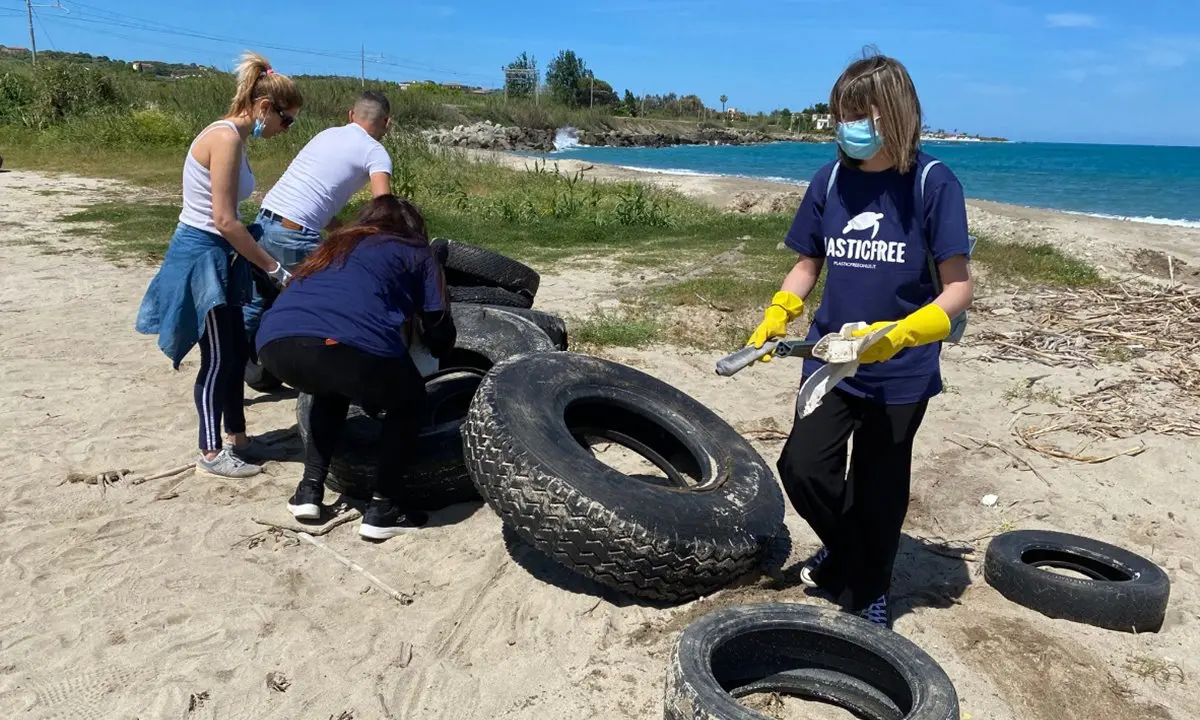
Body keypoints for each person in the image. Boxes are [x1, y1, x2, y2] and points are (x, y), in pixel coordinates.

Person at [745, 50, 974, 628]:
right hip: (831, 359)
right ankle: (849, 552)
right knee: (803, 467)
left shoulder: (933, 184)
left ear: (893, 114)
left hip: (901, 370)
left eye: (858, 115)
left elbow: (958, 289)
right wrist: (780, 309)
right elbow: (807, 263)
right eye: (841, 115)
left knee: (879, 485)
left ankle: (870, 587)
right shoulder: (829, 180)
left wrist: (901, 334)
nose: (846, 127)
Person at [135, 51, 302, 479]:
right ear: (264, 107)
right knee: (217, 359)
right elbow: (225, 220)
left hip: (222, 254)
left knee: (231, 353)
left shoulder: (236, 140)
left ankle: (239, 439)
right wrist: (273, 268)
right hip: (203, 255)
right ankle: (210, 452)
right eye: (286, 120)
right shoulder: (225, 139)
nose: (285, 129)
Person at [255, 195, 455, 540]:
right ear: (414, 227)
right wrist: (441, 346)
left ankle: (309, 491)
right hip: (344, 343)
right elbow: (437, 325)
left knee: (330, 389)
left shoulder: (334, 244)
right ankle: (383, 508)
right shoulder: (417, 251)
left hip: (275, 344)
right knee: (409, 400)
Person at [241, 90, 395, 340]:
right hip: (294, 236)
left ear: (351, 115)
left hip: (264, 223)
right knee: (337, 295)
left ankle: (233, 359)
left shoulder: (326, 135)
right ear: (386, 122)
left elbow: (313, 199)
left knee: (255, 304)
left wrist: (345, 231)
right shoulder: (375, 151)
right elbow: (384, 208)